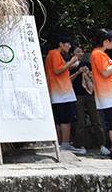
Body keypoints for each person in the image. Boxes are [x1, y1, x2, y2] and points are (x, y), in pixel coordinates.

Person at [44, 35, 85, 154]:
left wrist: (70, 65)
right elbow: (58, 70)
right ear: (61, 44)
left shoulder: (50, 54)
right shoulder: (56, 54)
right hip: (62, 92)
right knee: (66, 120)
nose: (69, 46)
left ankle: (60, 144)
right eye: (68, 43)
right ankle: (65, 143)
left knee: (59, 120)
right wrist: (71, 62)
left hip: (56, 92)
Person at [69, 45, 109, 155]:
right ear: (72, 54)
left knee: (97, 120)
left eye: (82, 51)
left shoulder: (87, 64)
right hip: (77, 95)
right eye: (78, 52)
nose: (80, 54)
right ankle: (82, 146)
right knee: (80, 122)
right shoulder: (70, 66)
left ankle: (102, 145)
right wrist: (78, 72)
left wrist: (88, 73)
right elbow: (68, 80)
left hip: (90, 94)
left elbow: (94, 77)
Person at [90, 29, 112, 158]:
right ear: (105, 41)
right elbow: (105, 72)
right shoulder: (98, 54)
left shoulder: (99, 54)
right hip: (108, 94)